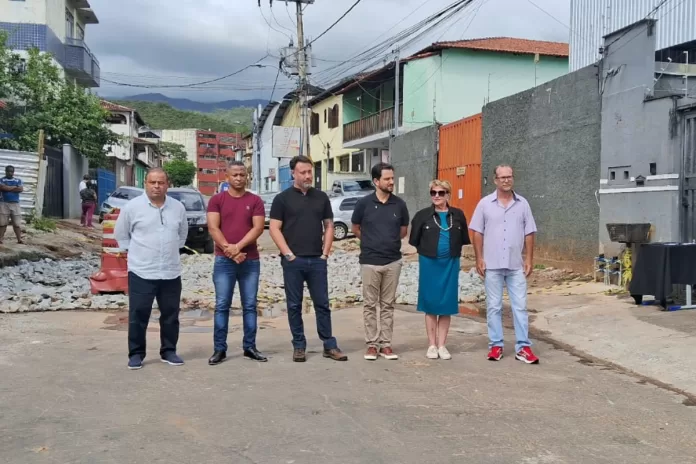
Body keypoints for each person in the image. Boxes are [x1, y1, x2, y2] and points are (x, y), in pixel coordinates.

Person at [269, 155, 348, 363]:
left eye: (309, 172)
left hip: (317, 260)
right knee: (294, 305)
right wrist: (288, 254)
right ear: (293, 173)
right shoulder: (282, 199)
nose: (307, 176)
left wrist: (325, 253)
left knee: (322, 304)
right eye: (303, 172)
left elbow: (329, 225)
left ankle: (329, 345)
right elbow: (274, 229)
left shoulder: (321, 197)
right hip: (293, 261)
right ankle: (299, 345)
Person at [114, 168, 188, 370]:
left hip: (170, 272)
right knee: (138, 314)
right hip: (141, 271)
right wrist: (137, 255)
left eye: (161, 182)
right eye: (152, 182)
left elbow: (182, 236)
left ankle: (169, 351)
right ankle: (136, 353)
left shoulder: (178, 208)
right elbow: (121, 235)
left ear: (168, 184)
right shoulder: (132, 207)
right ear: (145, 184)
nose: (157, 186)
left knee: (171, 314)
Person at [469, 164, 539, 365]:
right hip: (492, 265)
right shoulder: (484, 204)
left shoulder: (523, 204)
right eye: (502, 177)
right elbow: (477, 232)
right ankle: (496, 345)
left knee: (520, 307)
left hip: (516, 265)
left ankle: (523, 347)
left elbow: (529, 232)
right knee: (494, 307)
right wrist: (479, 258)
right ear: (495, 180)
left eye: (509, 177)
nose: (506, 180)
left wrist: (529, 259)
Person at [206, 161, 266, 366]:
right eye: (235, 175)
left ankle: (250, 347)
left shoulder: (255, 200)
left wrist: (238, 247)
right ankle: (219, 349)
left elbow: (258, 228)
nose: (239, 178)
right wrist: (230, 252)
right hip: (224, 261)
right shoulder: (216, 200)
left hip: (250, 261)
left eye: (242, 174)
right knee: (222, 305)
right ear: (227, 177)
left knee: (250, 305)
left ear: (246, 176)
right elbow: (213, 228)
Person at [351, 163, 409, 361]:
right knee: (369, 305)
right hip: (369, 261)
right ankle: (371, 345)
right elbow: (356, 228)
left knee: (387, 305)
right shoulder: (364, 204)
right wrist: (370, 242)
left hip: (393, 262)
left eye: (392, 178)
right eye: (387, 179)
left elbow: (403, 231)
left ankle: (386, 344)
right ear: (376, 181)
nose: (391, 182)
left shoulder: (399, 204)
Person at [409, 180, 470, 360]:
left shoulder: (457, 215)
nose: (436, 196)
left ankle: (442, 345)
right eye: (433, 192)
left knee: (446, 305)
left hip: (450, 264)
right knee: (431, 304)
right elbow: (414, 240)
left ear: (448, 194)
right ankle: (431, 345)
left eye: (441, 193)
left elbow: (464, 237)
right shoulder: (422, 216)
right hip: (429, 264)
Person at [0, 165, 24, 244]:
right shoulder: (1, 180)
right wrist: (14, 187)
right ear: (5, 171)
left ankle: (19, 239)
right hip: (4, 203)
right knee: (2, 223)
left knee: (17, 223)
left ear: (13, 172)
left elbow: (20, 189)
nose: (10, 173)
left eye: (12, 171)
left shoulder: (18, 180)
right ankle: (0, 239)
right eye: (8, 171)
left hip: (15, 204)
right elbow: (2, 188)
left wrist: (8, 187)